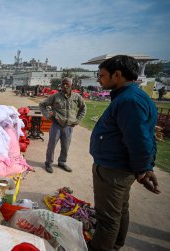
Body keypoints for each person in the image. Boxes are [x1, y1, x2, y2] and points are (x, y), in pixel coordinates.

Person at [89, 55, 160, 251]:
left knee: (107, 218)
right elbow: (140, 136)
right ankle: (115, 245)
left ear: (117, 75)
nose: (98, 79)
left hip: (114, 170)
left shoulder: (129, 101)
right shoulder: (132, 97)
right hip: (118, 168)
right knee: (120, 210)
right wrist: (144, 167)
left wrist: (143, 168)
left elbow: (139, 140)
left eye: (102, 75)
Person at [39, 77, 86, 173]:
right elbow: (42, 104)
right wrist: (48, 116)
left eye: (67, 84)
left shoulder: (77, 97)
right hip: (56, 125)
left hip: (68, 126)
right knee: (51, 145)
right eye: (63, 84)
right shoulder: (55, 96)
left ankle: (62, 162)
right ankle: (48, 163)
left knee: (65, 146)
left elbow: (83, 109)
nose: (65, 86)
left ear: (71, 85)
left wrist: (77, 120)